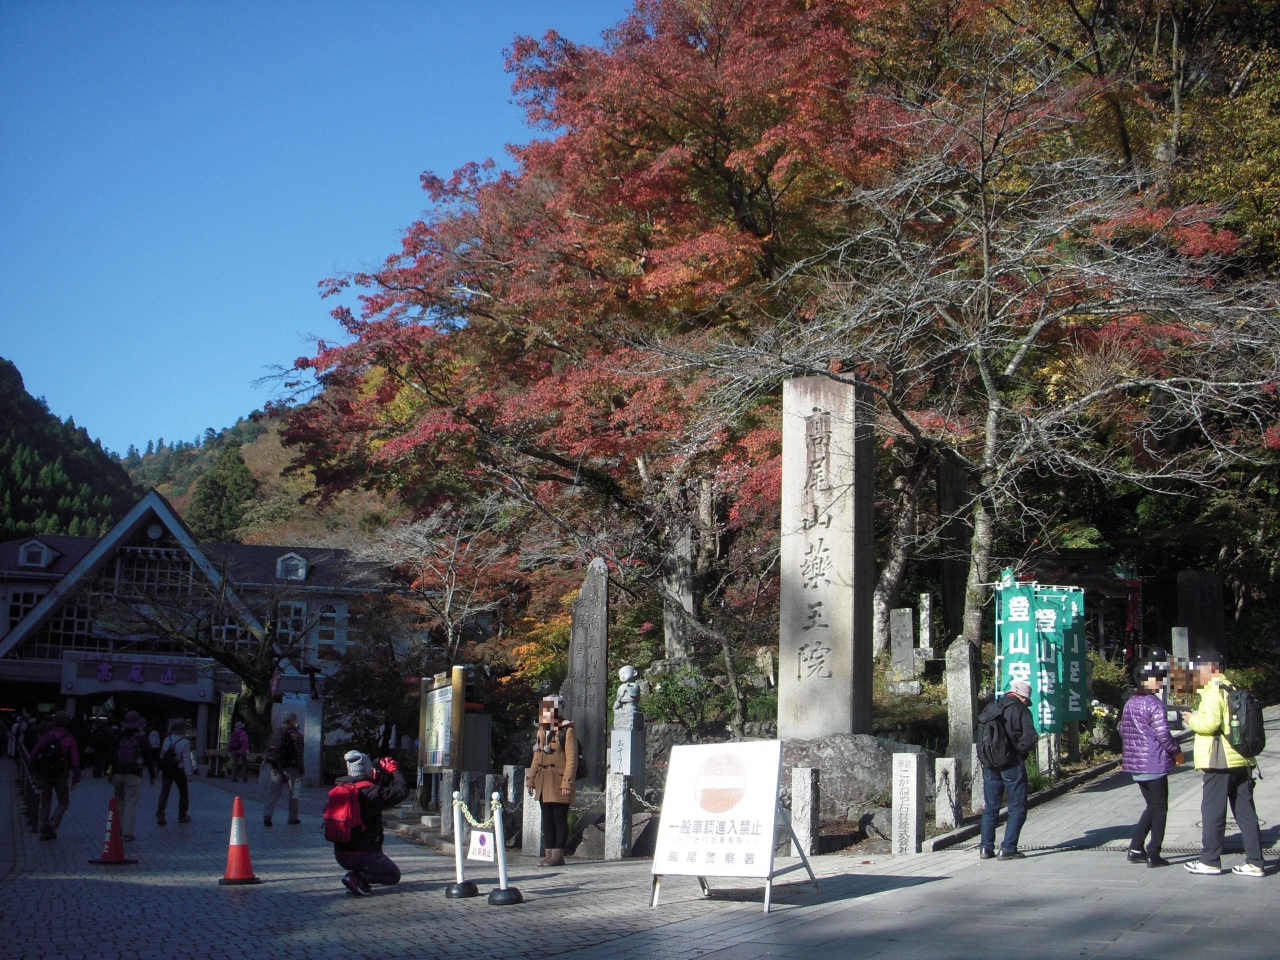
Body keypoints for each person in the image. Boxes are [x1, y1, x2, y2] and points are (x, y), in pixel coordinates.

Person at [1181, 661, 1267, 877]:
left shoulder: (1212, 690)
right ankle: (1255, 861)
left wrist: (1192, 719)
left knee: (1213, 811)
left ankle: (1210, 860)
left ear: (1209, 670)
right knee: (1246, 812)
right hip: (1242, 758)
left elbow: (1210, 724)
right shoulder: (1232, 687)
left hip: (1219, 759)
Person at [1120, 662, 1183, 867]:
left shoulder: (1130, 703)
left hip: (1136, 764)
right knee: (1160, 808)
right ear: (1146, 680)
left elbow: (1122, 730)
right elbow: (1163, 734)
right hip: (1153, 762)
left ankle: (1136, 848)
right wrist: (1176, 751)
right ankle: (1154, 853)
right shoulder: (1154, 704)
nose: (1160, 682)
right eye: (1157, 679)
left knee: (1151, 806)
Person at [329, 751, 409, 895]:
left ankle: (358, 878)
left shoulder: (340, 788)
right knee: (393, 875)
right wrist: (393, 770)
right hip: (364, 854)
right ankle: (358, 877)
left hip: (341, 854)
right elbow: (401, 791)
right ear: (367, 769)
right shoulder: (371, 792)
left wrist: (376, 780)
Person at [977, 679, 1038, 861]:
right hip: (1012, 763)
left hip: (990, 763)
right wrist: (1019, 753)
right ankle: (1008, 848)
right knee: (1017, 808)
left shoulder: (991, 706)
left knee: (991, 807)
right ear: (1023, 697)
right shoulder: (1020, 709)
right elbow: (1028, 739)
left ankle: (985, 848)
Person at [526, 694, 578, 867]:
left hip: (558, 780)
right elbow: (536, 757)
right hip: (543, 781)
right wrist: (531, 779)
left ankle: (558, 854)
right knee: (547, 819)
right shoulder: (542, 730)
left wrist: (567, 782)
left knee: (559, 818)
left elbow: (572, 760)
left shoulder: (567, 730)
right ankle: (548, 853)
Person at [29, 711, 81, 841]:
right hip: (61, 774)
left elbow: (33, 755)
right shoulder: (69, 738)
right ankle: (53, 823)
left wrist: (34, 772)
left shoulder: (46, 736)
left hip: (45, 774)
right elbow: (75, 761)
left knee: (45, 803)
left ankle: (43, 828)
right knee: (63, 801)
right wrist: (76, 778)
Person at [108, 710, 156, 841]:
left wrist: (110, 773)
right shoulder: (142, 739)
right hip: (133, 775)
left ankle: (118, 829)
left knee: (119, 801)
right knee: (131, 803)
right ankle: (128, 833)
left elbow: (110, 755)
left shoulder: (119, 737)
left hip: (117, 774)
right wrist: (152, 776)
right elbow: (149, 759)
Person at [264, 711, 305, 827]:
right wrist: (301, 771)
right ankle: (293, 817)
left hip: (276, 766)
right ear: (292, 720)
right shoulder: (296, 735)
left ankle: (267, 815)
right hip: (292, 768)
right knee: (294, 793)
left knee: (273, 792)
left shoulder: (276, 732)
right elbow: (299, 755)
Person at [156, 719, 196, 826]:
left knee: (164, 792)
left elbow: (161, 755)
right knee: (183, 793)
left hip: (167, 770)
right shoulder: (185, 742)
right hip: (179, 770)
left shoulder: (167, 739)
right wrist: (189, 774)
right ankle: (182, 815)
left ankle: (160, 814)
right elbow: (187, 759)